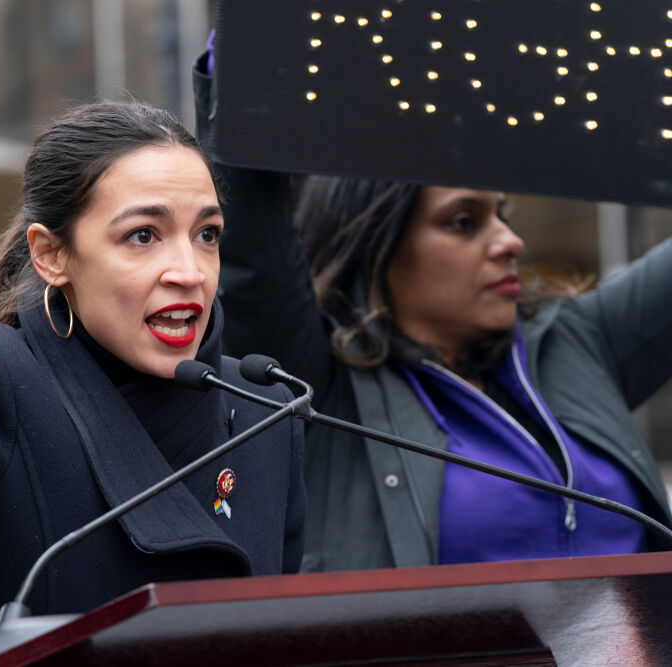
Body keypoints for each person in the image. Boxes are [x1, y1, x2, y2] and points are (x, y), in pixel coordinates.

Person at [0, 102, 305, 666]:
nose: (188, 271)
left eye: (207, 234)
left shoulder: (263, 411)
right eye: (143, 235)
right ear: (51, 255)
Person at [193, 54, 672, 574]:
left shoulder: (576, 344)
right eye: (464, 222)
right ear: (377, 245)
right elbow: (254, 255)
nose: (510, 241)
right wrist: (243, 67)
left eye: (503, 216)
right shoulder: (316, 389)